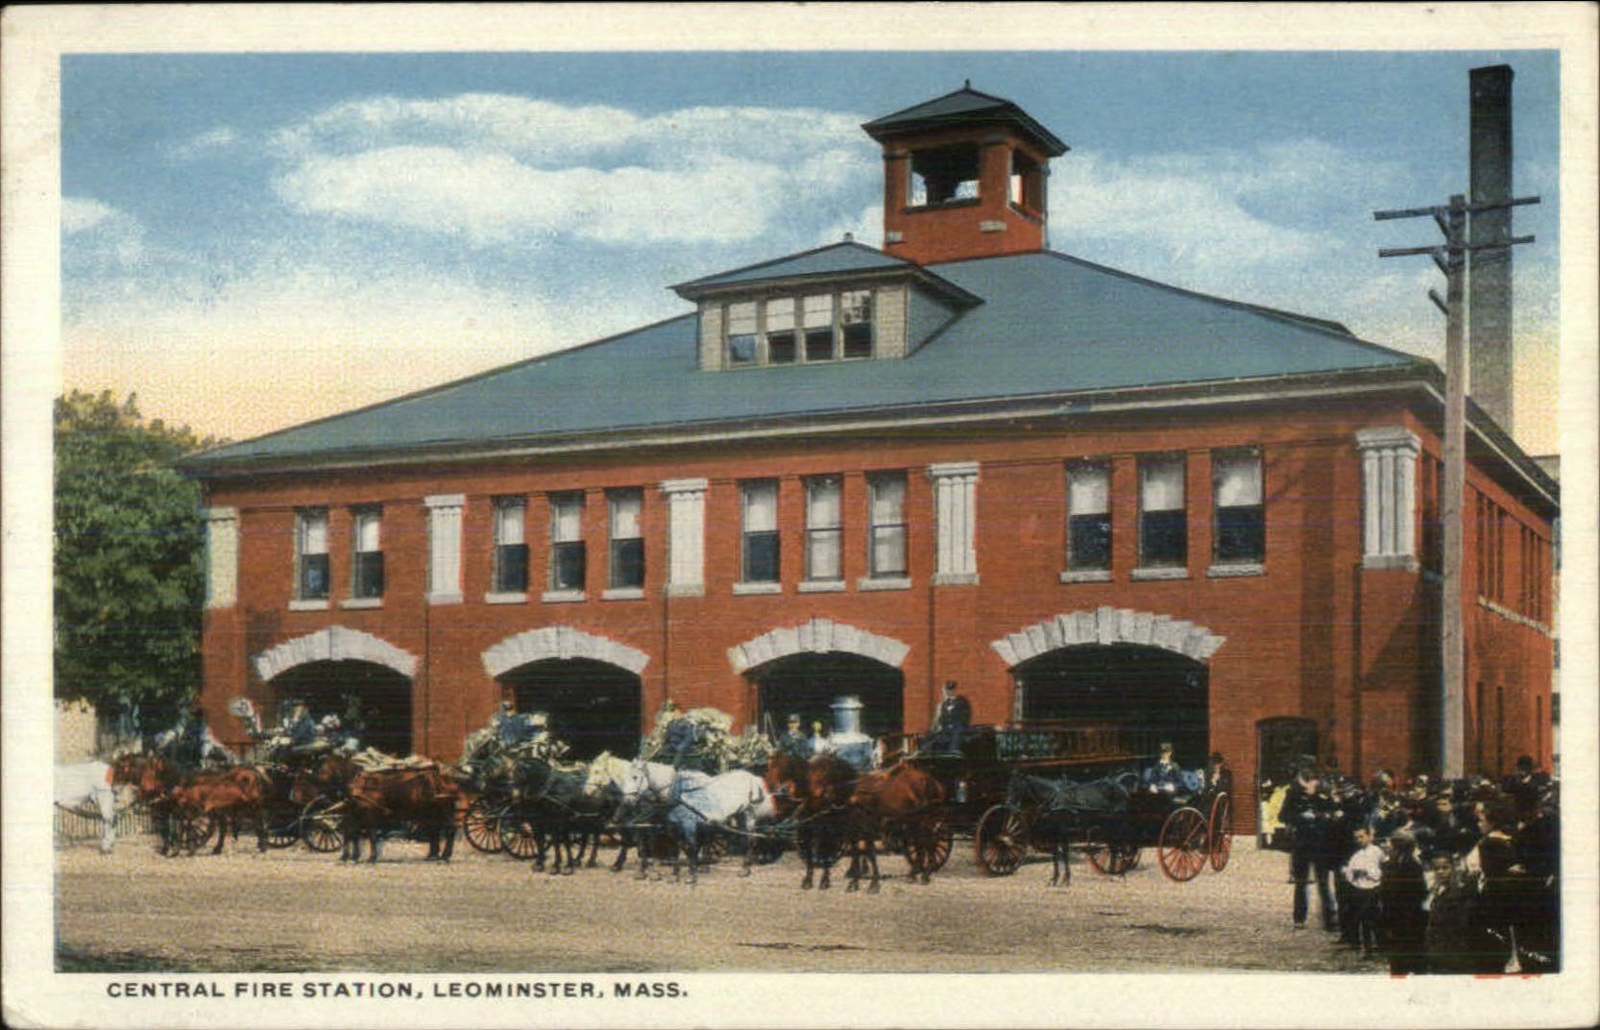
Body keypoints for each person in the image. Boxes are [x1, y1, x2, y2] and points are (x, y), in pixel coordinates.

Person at [1280, 763, 1337, 931]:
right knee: (1301, 883)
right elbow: (1283, 815)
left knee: (1323, 883)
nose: (1307, 787)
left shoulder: (1324, 794)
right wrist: (1300, 817)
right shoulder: (1293, 794)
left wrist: (1318, 817)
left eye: (1310, 782)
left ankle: (1330, 919)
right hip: (1302, 844)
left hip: (1321, 844)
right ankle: (1299, 918)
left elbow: (1333, 813)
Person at [1380, 830, 1429, 974]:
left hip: (1407, 919)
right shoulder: (1392, 865)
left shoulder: (1411, 866)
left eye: (1390, 845)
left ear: (1398, 848)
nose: (1387, 847)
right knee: (1400, 961)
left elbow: (1417, 892)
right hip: (1398, 918)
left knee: (1409, 959)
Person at [1340, 825, 1385, 958]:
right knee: (1363, 919)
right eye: (1356, 838)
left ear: (1369, 836)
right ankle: (1367, 947)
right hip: (1360, 889)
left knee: (1376, 919)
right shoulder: (1356, 855)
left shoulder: (1377, 852)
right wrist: (1350, 872)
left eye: (1362, 836)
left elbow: (1381, 870)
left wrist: (1369, 872)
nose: (1359, 840)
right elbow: (1349, 871)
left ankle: (1381, 945)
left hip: (1374, 888)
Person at [923, 680, 971, 753]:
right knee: (933, 737)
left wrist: (960, 724)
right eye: (946, 690)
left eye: (950, 690)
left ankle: (953, 751)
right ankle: (924, 751)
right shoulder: (943, 705)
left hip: (957, 727)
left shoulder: (961, 702)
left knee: (956, 733)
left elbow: (965, 716)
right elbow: (939, 720)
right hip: (946, 728)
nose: (948, 692)